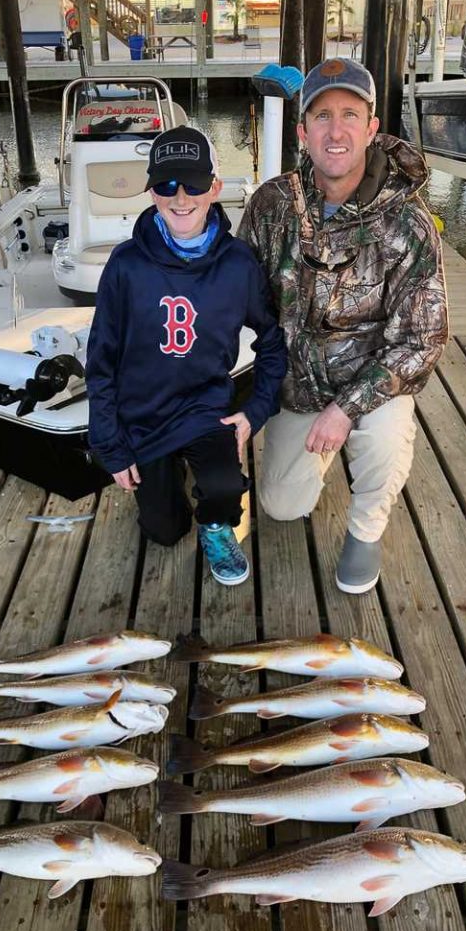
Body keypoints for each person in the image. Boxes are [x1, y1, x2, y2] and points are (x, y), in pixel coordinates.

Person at [237, 58, 448, 594]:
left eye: (350, 115)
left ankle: (365, 528)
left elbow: (423, 339)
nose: (336, 131)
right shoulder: (270, 204)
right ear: (302, 130)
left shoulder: (409, 222)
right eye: (323, 116)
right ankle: (321, 452)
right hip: (295, 389)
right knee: (282, 507)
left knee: (385, 437)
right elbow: (235, 301)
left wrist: (345, 409)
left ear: (372, 127)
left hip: (371, 386)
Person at [86, 126, 287, 587]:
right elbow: (100, 361)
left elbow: (272, 343)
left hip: (203, 410)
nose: (181, 198)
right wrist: (110, 445)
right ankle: (164, 483)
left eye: (195, 184)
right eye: (167, 185)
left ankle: (216, 526)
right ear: (151, 190)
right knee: (164, 531)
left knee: (222, 488)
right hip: (143, 416)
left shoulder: (238, 265)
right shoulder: (124, 265)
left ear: (215, 188)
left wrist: (254, 411)